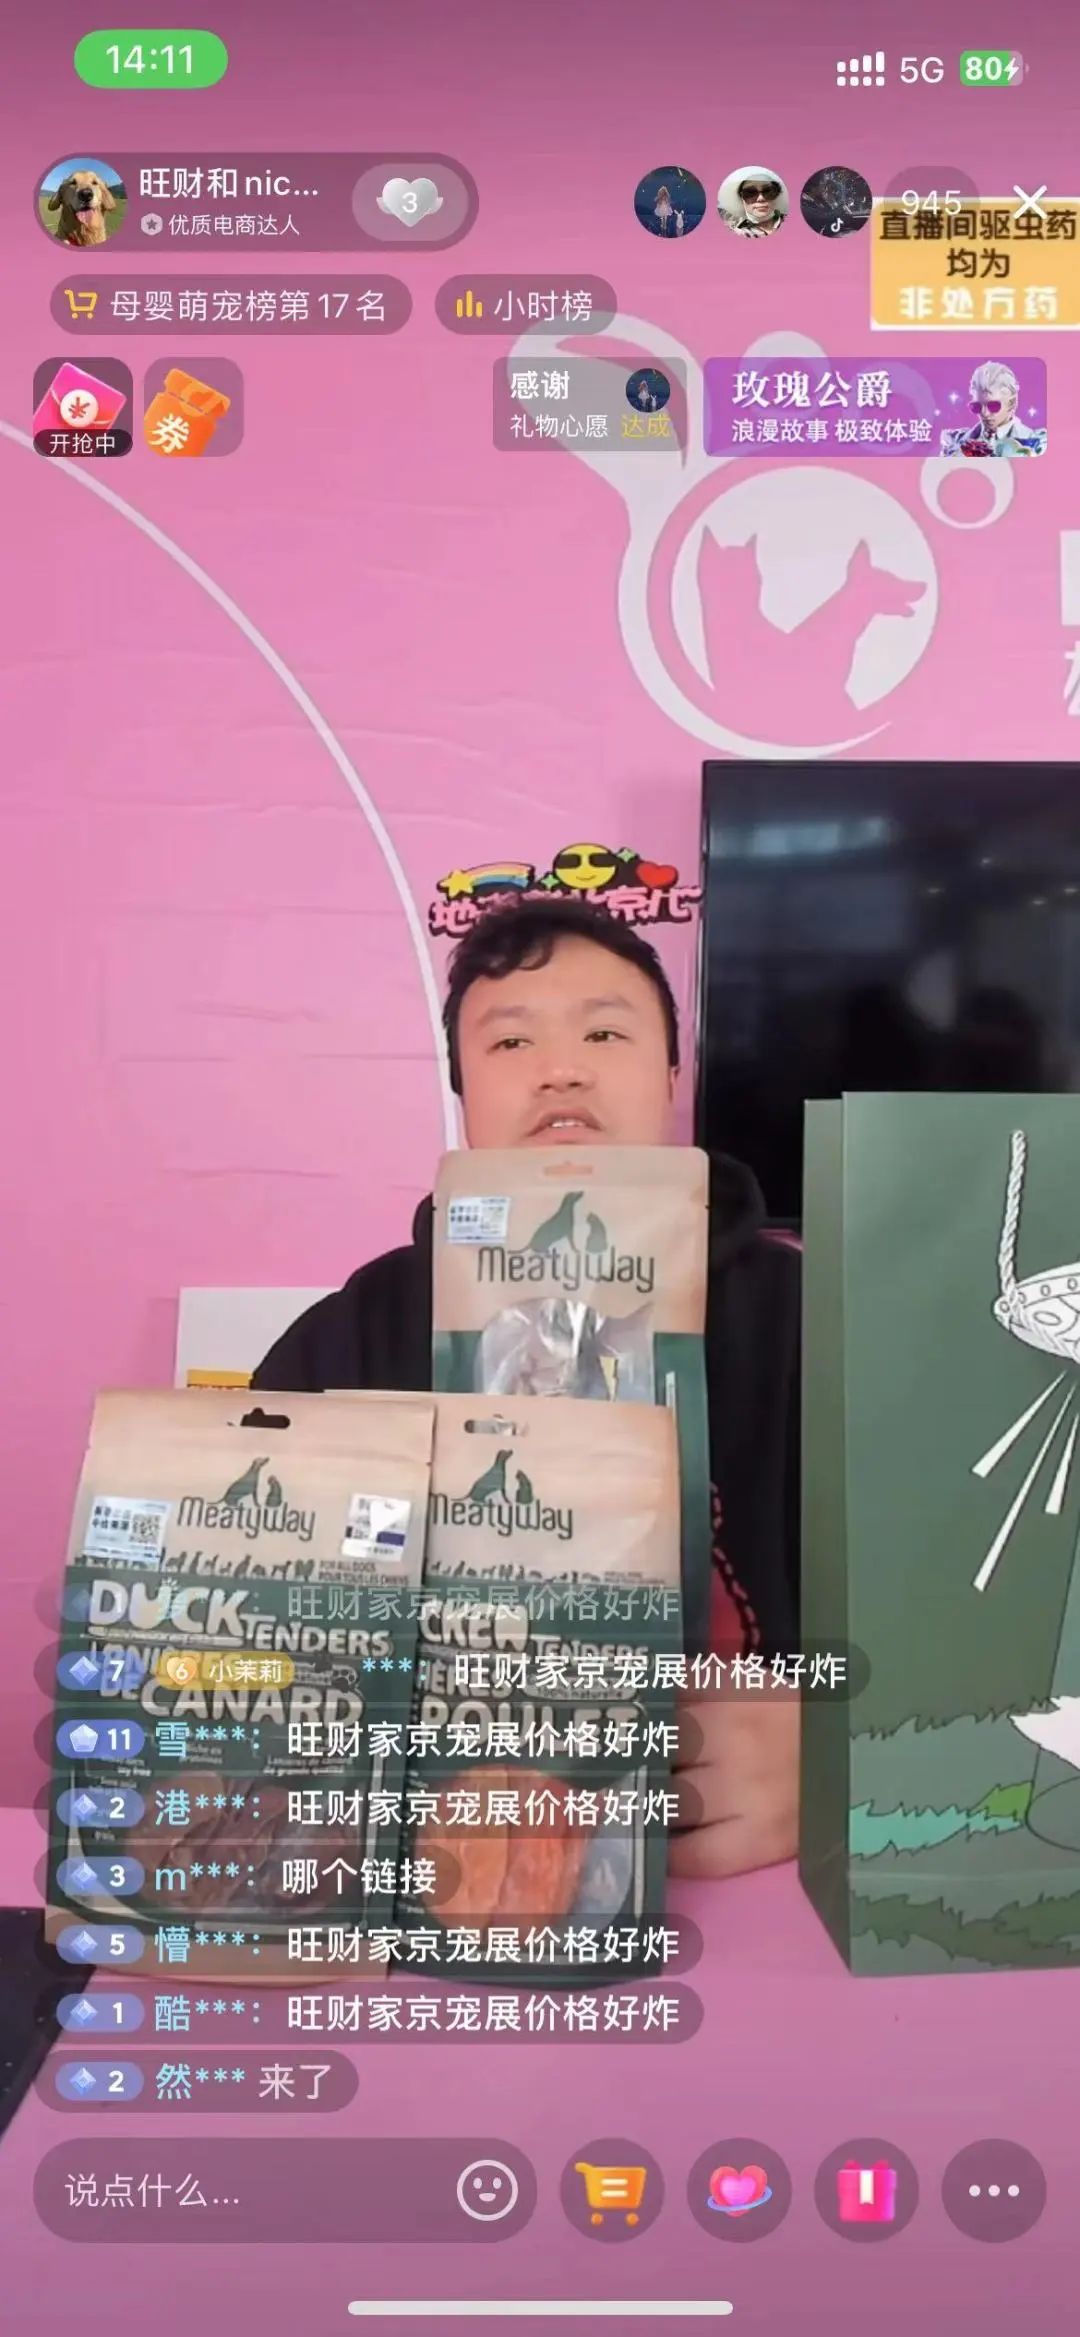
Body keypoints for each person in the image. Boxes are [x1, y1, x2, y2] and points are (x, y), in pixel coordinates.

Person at [251, 897, 801, 1880]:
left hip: (771, 1895)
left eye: (604, 1033)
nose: (562, 1069)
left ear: (672, 1077)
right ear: (462, 1093)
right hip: (448, 1889)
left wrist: (853, 1756)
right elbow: (271, 1666)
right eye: (511, 1042)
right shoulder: (345, 1343)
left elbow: (978, 1639)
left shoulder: (815, 1319)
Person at [940, 360, 1046, 457]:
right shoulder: (956, 441)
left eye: (993, 406)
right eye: (977, 407)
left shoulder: (1034, 442)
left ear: (1011, 403)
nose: (984, 413)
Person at [717, 167, 788, 237]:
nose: (760, 198)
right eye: (750, 193)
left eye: (768, 191)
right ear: (741, 198)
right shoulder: (739, 234)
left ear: (776, 194)